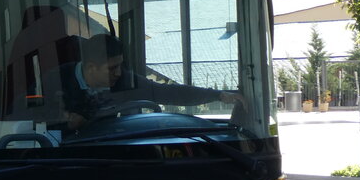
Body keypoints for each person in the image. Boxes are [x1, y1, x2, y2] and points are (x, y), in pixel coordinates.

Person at [49, 32, 242, 132]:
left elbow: (168, 93)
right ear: (91, 67)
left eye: (120, 65)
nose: (119, 73)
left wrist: (218, 95)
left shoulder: (126, 81)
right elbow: (27, 116)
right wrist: (61, 121)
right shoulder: (53, 80)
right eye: (112, 68)